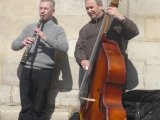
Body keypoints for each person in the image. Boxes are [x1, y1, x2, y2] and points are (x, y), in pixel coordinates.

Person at [74, 0, 139, 119]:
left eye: (91, 7)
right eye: (87, 8)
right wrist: (82, 59)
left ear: (100, 5)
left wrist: (121, 17)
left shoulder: (114, 22)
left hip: (112, 76)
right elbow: (79, 48)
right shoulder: (85, 29)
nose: (89, 11)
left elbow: (133, 32)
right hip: (93, 78)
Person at [11, 0, 68, 120]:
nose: (42, 11)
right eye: (40, 8)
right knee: (26, 106)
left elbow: (64, 47)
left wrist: (44, 37)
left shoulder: (58, 30)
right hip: (26, 69)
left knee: (39, 108)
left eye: (46, 9)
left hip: (44, 72)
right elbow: (13, 45)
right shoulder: (30, 27)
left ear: (53, 11)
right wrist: (23, 42)